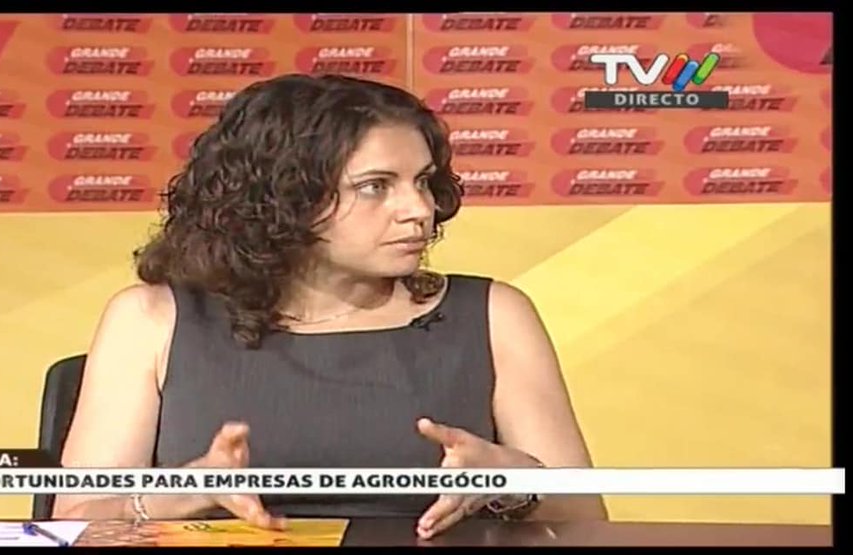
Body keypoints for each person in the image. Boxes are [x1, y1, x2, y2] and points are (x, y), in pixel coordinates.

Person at [51, 73, 608, 538]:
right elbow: (75, 518)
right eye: (376, 186)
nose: (420, 209)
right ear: (283, 198)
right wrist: (182, 492)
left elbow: (587, 519)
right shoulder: (149, 319)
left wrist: (511, 481)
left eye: (423, 181)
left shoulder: (493, 314)